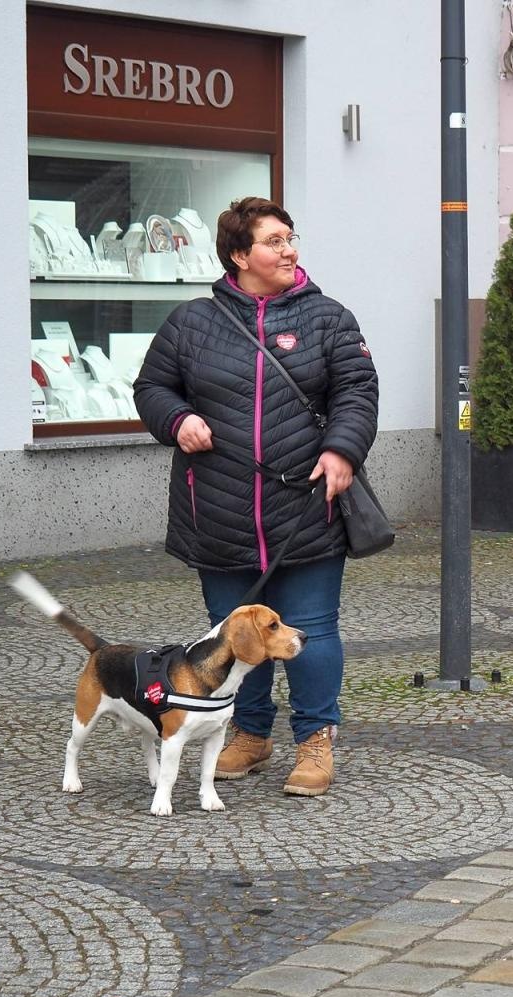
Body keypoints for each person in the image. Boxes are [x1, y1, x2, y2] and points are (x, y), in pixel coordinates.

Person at [135, 196, 379, 799]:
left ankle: (316, 739)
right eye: (274, 241)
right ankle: (250, 733)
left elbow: (357, 388)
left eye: (291, 238)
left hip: (307, 504)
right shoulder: (192, 322)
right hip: (217, 505)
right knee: (235, 637)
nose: (289, 248)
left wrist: (343, 450)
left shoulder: (329, 318)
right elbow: (152, 386)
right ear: (240, 255)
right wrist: (177, 419)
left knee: (313, 631)